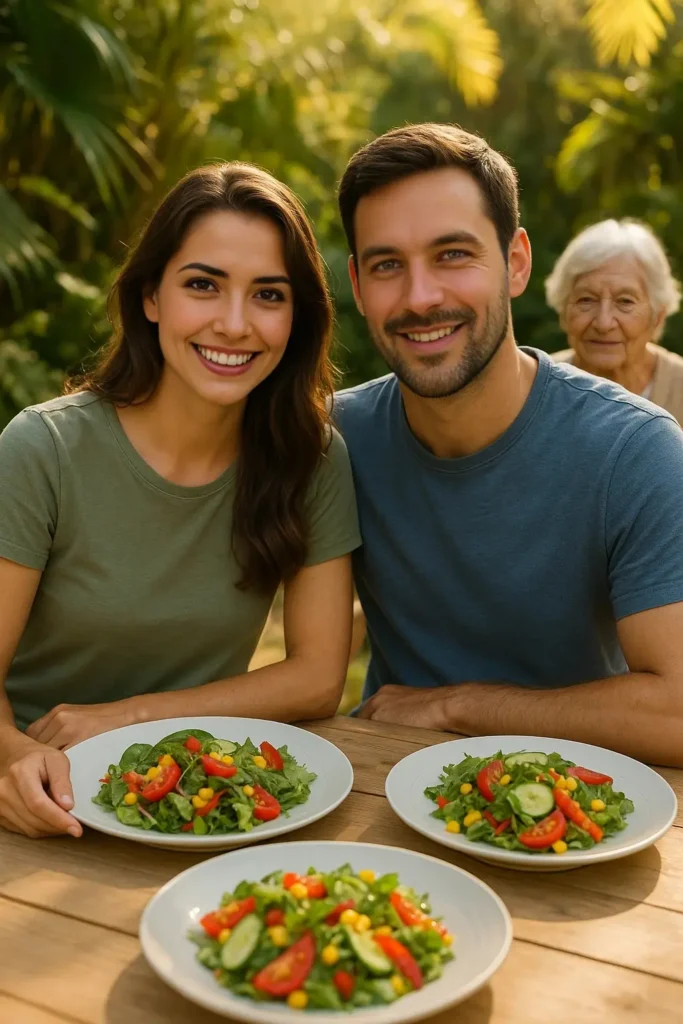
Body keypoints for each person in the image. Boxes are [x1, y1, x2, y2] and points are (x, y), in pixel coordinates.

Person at [0, 162, 360, 839]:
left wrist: (132, 715)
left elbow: (316, 677)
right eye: (203, 285)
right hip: (36, 804)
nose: (233, 323)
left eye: (268, 295)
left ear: (297, 317)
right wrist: (19, 757)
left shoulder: (310, 458)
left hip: (191, 806)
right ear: (150, 297)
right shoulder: (42, 449)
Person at [332, 122, 683, 768]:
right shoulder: (335, 439)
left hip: (580, 806)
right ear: (356, 285)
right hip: (381, 781)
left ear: (515, 262)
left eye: (453, 255)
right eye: (387, 266)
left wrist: (459, 706)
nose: (420, 297)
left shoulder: (636, 451)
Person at [546, 219, 683, 421]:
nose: (603, 323)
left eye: (625, 302)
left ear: (658, 317)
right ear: (563, 311)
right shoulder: (534, 390)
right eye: (586, 300)